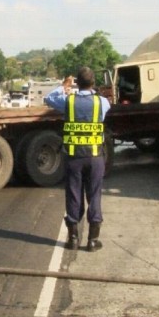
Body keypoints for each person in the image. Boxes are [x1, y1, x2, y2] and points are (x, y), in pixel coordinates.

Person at [45, 67, 111, 252]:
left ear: (76, 83)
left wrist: (63, 86)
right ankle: (92, 241)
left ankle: (73, 239)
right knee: (94, 195)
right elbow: (105, 109)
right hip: (95, 156)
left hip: (74, 157)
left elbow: (49, 98)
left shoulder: (68, 102)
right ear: (93, 83)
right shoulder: (102, 103)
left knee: (74, 195)